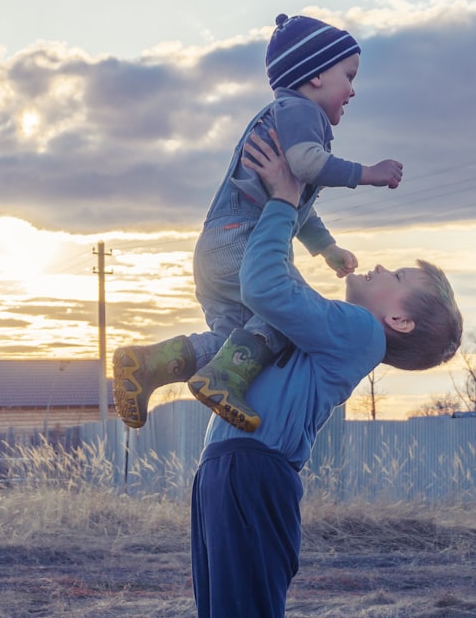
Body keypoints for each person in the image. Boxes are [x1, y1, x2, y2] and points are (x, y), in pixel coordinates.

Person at [191, 129, 462, 617]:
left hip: (251, 469)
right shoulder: (336, 332)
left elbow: (267, 287)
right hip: (231, 464)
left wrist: (284, 200)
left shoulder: (361, 332)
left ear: (399, 321)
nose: (381, 267)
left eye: (397, 277)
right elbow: (264, 302)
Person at [114, 13, 406, 432]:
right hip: (242, 242)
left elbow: (299, 201)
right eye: (349, 75)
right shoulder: (301, 112)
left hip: (217, 248)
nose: (353, 90)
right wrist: (367, 173)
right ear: (316, 75)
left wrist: (324, 247)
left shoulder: (288, 117)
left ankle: (147, 365)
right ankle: (222, 379)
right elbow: (308, 166)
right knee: (286, 310)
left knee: (235, 339)